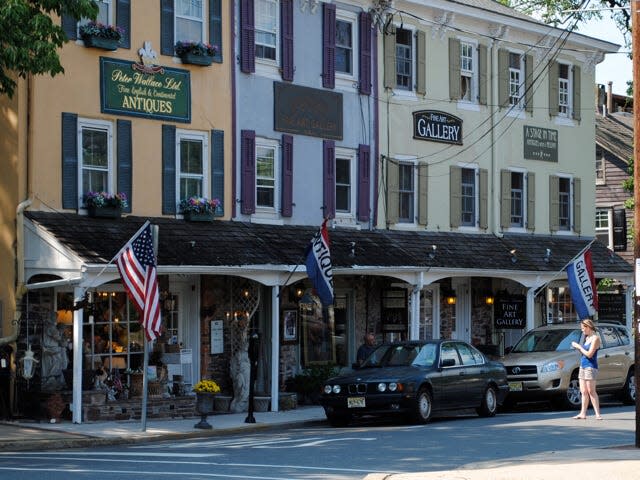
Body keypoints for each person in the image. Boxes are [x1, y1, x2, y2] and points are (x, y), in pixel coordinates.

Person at [570, 319, 602, 420]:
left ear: (588, 327)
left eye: (583, 329)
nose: (582, 331)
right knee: (583, 391)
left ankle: (597, 414)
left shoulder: (595, 338)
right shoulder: (587, 337)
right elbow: (585, 353)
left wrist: (579, 347)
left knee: (591, 391)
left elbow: (589, 354)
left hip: (590, 366)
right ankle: (583, 413)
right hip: (583, 366)